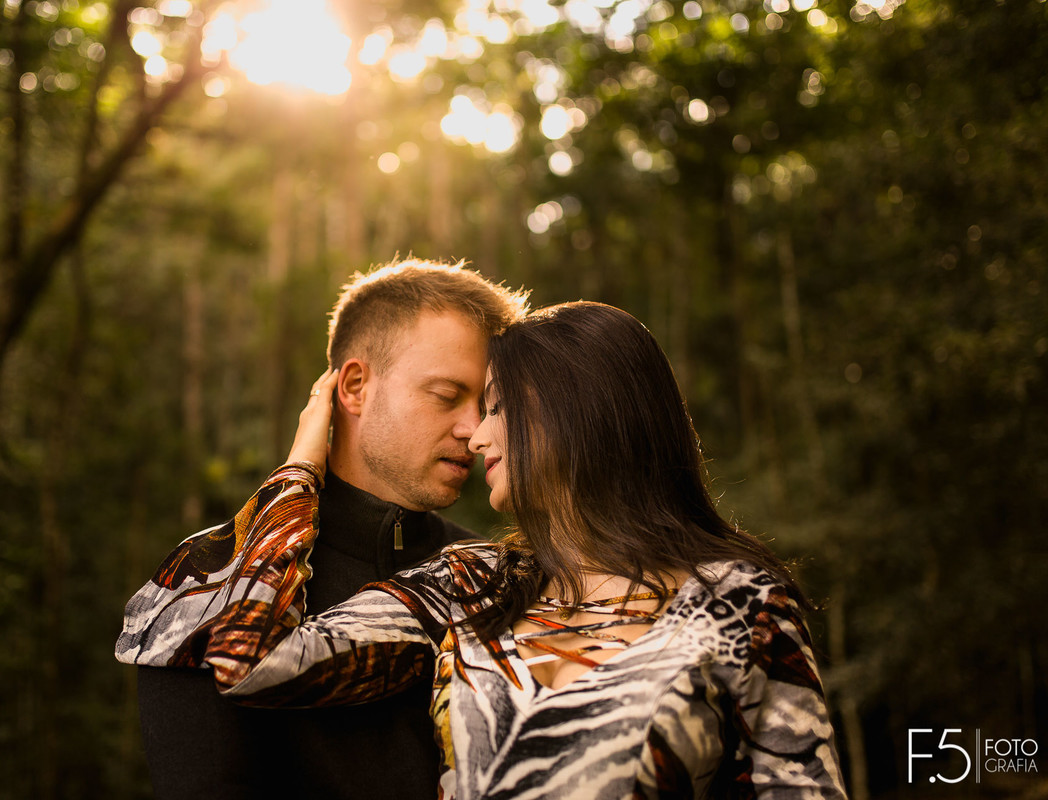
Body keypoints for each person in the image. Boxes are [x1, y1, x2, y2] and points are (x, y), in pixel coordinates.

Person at [120, 301, 847, 799]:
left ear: (577, 415)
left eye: (496, 407)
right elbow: (250, 659)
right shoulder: (477, 580)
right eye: (459, 402)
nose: (478, 434)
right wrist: (301, 467)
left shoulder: (738, 602)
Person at [130, 258, 528, 799]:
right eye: (445, 395)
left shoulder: (492, 577)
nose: (474, 428)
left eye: (487, 404)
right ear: (356, 386)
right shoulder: (203, 580)